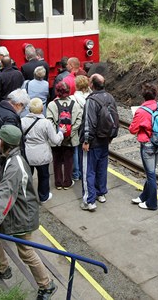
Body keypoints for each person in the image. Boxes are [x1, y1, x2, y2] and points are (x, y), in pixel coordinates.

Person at [0, 125, 58, 299]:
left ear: (1, 143)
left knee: (26, 251)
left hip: (21, 216)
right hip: (17, 212)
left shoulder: (14, 166)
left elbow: (5, 195)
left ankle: (47, 285)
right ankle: (2, 268)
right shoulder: (14, 158)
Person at [128, 83, 158, 210]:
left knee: (151, 174)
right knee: (150, 172)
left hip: (147, 145)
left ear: (143, 96)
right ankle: (143, 196)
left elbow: (132, 129)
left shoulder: (140, 111)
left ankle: (152, 203)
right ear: (155, 94)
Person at [79, 74, 117, 211]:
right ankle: (101, 193)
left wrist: (86, 140)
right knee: (102, 168)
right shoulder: (110, 97)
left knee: (89, 170)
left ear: (92, 85)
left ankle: (89, 201)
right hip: (105, 140)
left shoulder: (91, 100)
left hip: (93, 142)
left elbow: (89, 122)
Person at [22, 98, 63, 203]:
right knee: (44, 176)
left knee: (27, 176)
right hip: (42, 154)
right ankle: (43, 196)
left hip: (27, 153)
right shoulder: (46, 123)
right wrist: (61, 132)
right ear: (41, 109)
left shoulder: (23, 121)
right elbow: (55, 140)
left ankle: (26, 196)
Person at [47, 82, 82, 190]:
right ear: (68, 92)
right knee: (68, 160)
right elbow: (79, 121)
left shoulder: (52, 105)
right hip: (70, 139)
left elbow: (50, 121)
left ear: (57, 91)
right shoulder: (75, 105)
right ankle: (67, 182)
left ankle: (58, 182)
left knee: (56, 160)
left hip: (56, 139)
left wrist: (57, 134)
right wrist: (70, 132)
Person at [71, 75, 91, 184]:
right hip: (88, 127)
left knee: (76, 150)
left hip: (78, 127)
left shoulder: (73, 98)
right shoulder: (91, 97)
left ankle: (76, 173)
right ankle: (85, 171)